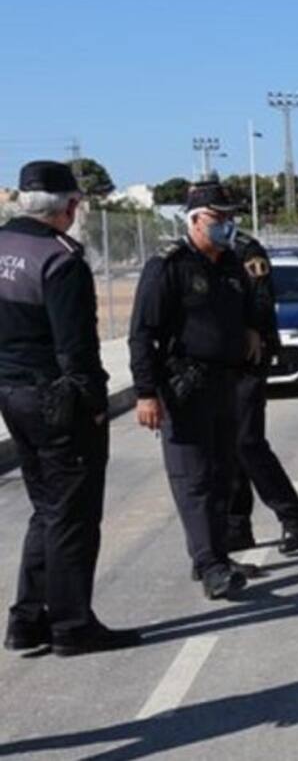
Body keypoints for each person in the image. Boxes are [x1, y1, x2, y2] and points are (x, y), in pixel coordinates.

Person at [0, 161, 140, 656]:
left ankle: (27, 619)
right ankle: (71, 625)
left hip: (11, 394)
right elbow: (75, 348)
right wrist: (94, 404)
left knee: (47, 508)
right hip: (56, 398)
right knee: (74, 515)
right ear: (69, 207)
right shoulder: (59, 259)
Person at [128, 180, 259, 600]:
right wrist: (146, 392)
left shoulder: (230, 264)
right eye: (219, 218)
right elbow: (142, 334)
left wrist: (252, 330)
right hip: (183, 387)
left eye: (230, 217)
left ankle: (213, 555)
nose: (227, 225)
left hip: (224, 383)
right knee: (195, 480)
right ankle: (211, 567)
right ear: (195, 220)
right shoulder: (169, 266)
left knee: (223, 476)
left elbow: (239, 309)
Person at [227, 230, 298, 554]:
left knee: (248, 442)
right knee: (228, 444)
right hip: (220, 361)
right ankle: (237, 527)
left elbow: (262, 299)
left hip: (251, 356)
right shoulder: (204, 253)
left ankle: (293, 516)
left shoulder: (246, 249)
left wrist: (253, 331)